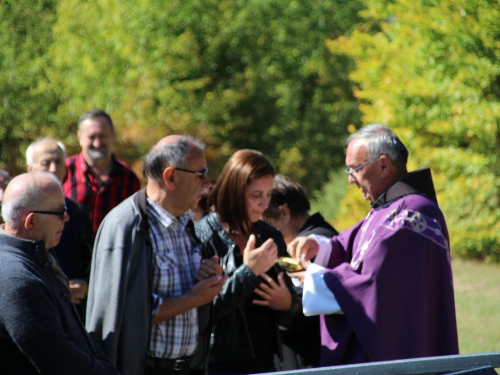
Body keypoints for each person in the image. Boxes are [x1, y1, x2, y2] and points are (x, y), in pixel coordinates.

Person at [287, 124, 459, 366]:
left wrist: (316, 279)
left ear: (383, 166)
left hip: (405, 348)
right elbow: (350, 245)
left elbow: (373, 283)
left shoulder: (412, 214)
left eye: (354, 169)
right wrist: (317, 247)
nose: (350, 180)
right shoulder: (388, 208)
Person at [86, 135, 226, 375]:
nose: (207, 184)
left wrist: (206, 276)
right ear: (171, 176)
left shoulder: (185, 221)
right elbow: (121, 315)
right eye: (201, 175)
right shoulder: (126, 226)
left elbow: (177, 289)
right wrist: (194, 298)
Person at [0, 172, 119, 375]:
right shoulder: (18, 280)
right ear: (31, 221)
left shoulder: (36, 256)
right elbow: (59, 359)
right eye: (60, 211)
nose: (67, 217)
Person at [195, 150, 301, 374]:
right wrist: (249, 272)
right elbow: (202, 312)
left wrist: (287, 303)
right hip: (218, 364)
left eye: (268, 194)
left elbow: (297, 290)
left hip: (267, 363)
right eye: (256, 195)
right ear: (234, 193)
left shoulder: (272, 236)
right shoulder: (202, 236)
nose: (264, 204)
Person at [262, 174, 338, 369]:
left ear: (284, 213)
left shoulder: (305, 247)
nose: (262, 230)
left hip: (313, 360)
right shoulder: (325, 237)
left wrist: (287, 305)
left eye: (265, 220)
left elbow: (310, 307)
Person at [26, 137, 94, 319]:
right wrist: (59, 290)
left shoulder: (77, 213)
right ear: (30, 169)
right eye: (46, 163)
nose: (53, 169)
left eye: (58, 162)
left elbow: (91, 260)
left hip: (75, 312)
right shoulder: (20, 212)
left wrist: (86, 284)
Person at [63, 109, 141, 235]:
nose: (97, 143)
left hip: (113, 251)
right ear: (79, 137)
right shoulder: (64, 170)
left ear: (113, 136)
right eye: (91, 137)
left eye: (102, 136)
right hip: (72, 252)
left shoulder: (128, 177)